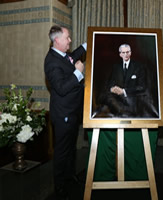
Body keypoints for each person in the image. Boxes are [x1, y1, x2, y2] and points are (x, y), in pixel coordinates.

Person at [44, 25, 86, 199]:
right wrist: (78, 73)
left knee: (71, 149)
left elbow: (73, 56)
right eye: (67, 38)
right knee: (61, 152)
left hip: (73, 111)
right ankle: (59, 187)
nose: (70, 40)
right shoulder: (51, 61)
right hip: (63, 115)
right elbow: (61, 88)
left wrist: (87, 43)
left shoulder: (63, 55)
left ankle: (70, 176)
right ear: (57, 40)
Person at [93, 44, 147, 118]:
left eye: (127, 52)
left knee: (108, 100)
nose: (126, 55)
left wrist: (124, 91)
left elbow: (142, 87)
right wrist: (112, 89)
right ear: (120, 54)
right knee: (104, 95)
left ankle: (123, 113)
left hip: (131, 98)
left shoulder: (138, 67)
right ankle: (122, 113)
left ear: (130, 53)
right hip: (117, 98)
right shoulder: (116, 67)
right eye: (123, 53)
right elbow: (110, 83)